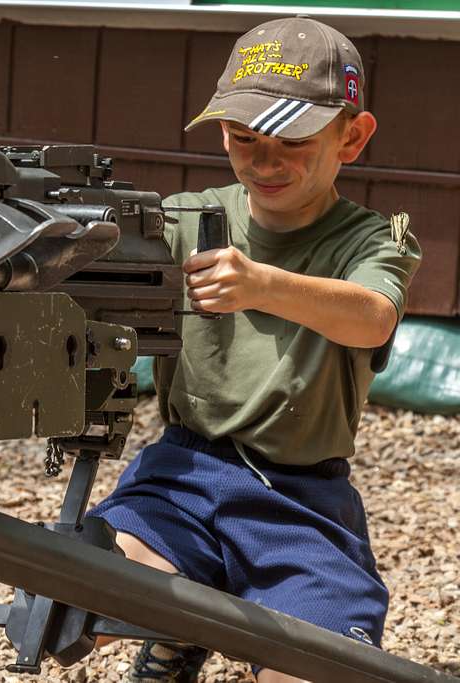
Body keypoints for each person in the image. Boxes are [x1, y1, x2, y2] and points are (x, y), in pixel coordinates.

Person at [88, 15, 421, 683]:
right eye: (244, 138)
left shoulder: (374, 239)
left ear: (351, 137)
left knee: (321, 665)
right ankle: (179, 624)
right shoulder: (185, 216)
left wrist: (261, 284)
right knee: (93, 581)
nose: (264, 162)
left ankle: (196, 617)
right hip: (181, 478)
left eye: (291, 141)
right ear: (221, 131)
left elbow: (373, 316)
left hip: (299, 498)